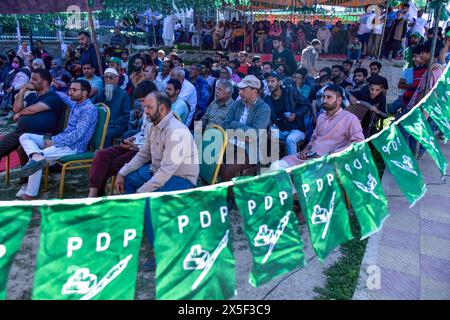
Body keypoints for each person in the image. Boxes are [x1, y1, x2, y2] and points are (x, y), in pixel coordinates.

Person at [17, 79, 98, 200]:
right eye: (70, 89)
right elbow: (62, 96)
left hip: (73, 147)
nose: (70, 92)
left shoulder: (88, 110)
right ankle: (36, 155)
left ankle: (30, 194)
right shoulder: (75, 103)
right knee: (25, 137)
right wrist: (51, 88)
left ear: (85, 93)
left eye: (74, 90)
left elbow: (78, 135)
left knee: (37, 161)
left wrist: (55, 141)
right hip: (61, 141)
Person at [1, 69, 66, 197]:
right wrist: (22, 90)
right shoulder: (32, 96)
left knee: (22, 149)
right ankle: (26, 181)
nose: (31, 82)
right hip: (21, 133)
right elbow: (16, 108)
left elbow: (33, 109)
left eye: (35, 79)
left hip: (41, 135)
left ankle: (25, 183)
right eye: (31, 79)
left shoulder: (52, 97)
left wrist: (20, 114)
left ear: (46, 82)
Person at [87, 81, 157, 197]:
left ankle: (96, 197)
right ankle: (92, 195)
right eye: (140, 101)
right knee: (101, 155)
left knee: (110, 165)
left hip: (145, 153)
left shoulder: (159, 114)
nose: (142, 104)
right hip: (135, 146)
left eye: (143, 100)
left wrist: (134, 145)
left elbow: (154, 145)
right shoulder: (146, 111)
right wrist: (133, 138)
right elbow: (144, 132)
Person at [271, 84, 364, 169]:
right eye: (323, 97)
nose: (324, 100)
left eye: (329, 97)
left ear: (339, 100)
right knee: (276, 166)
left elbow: (359, 144)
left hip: (329, 161)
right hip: (310, 156)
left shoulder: (350, 118)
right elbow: (314, 138)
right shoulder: (321, 116)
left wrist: (333, 153)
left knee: (303, 177)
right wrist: (306, 149)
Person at [220, 75, 271, 181]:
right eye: (239, 89)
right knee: (207, 162)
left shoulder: (264, 109)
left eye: (243, 89)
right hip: (229, 142)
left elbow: (253, 136)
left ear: (254, 91)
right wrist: (243, 133)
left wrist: (234, 124)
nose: (239, 92)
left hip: (249, 149)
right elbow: (225, 125)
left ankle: (230, 197)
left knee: (225, 171)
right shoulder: (237, 103)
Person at [263, 71, 310, 155]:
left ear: (279, 82)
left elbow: (306, 105)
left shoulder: (291, 92)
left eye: (272, 81)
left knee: (290, 139)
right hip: (280, 129)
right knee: (265, 133)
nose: (269, 84)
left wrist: (295, 114)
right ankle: (273, 161)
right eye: (268, 81)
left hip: (296, 128)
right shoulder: (267, 99)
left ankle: (292, 166)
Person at [97, 68, 131, 147]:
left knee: (106, 133)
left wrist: (111, 123)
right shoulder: (101, 92)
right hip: (104, 123)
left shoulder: (123, 94)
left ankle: (105, 155)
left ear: (116, 79)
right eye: (106, 77)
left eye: (111, 78)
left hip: (119, 125)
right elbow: (97, 108)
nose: (108, 80)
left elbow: (126, 116)